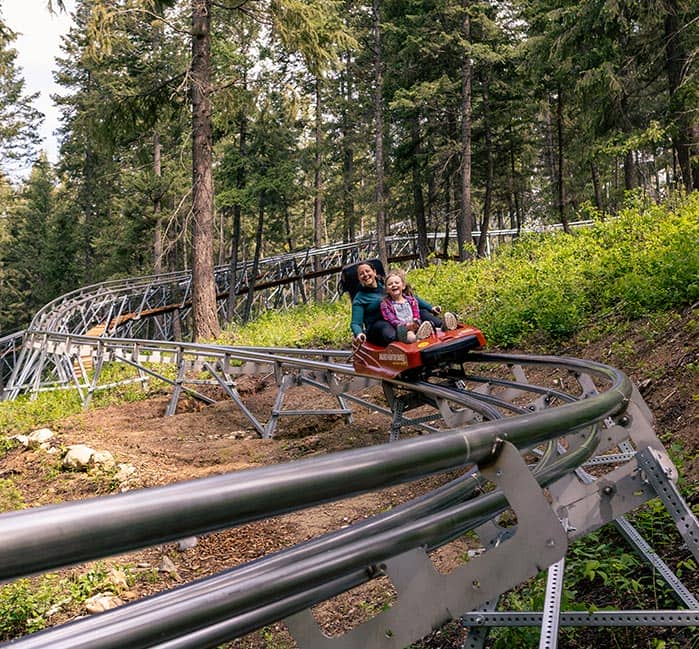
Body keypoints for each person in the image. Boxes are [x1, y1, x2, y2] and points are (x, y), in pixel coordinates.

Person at [350, 262, 456, 346]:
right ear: (359, 278)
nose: (365, 275)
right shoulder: (360, 298)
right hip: (379, 326)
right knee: (385, 328)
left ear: (374, 272)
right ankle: (411, 337)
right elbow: (355, 322)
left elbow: (410, 299)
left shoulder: (387, 286)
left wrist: (430, 308)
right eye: (361, 274)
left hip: (401, 316)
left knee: (421, 313)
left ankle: (443, 326)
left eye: (367, 271)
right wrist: (358, 333)